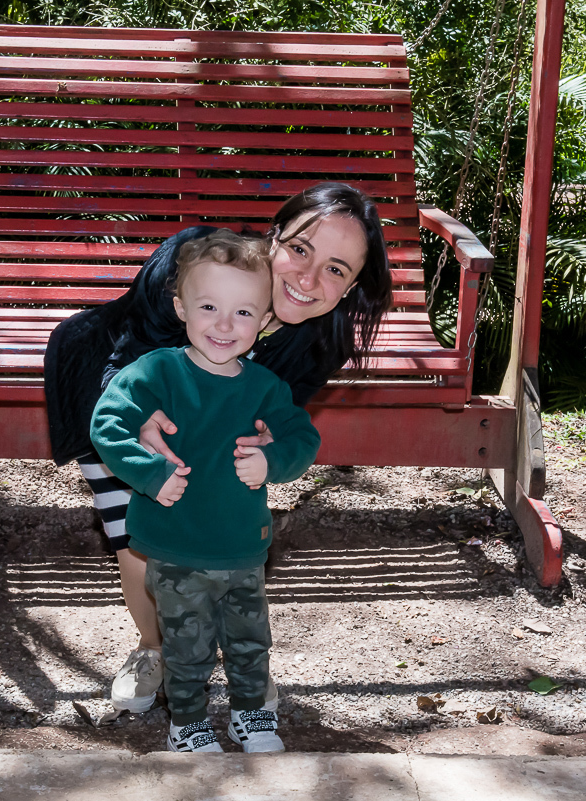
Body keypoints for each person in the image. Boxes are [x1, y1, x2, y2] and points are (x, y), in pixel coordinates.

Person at [44, 182, 393, 713]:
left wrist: (267, 442)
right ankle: (155, 648)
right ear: (274, 239)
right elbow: (129, 360)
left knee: (227, 525)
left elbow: (273, 411)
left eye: (336, 269)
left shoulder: (323, 338)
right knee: (141, 524)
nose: (308, 277)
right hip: (112, 383)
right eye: (300, 249)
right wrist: (142, 428)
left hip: (216, 414)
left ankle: (241, 660)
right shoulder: (196, 261)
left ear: (348, 288)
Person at [90, 230, 321, 752]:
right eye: (210, 306)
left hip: (243, 544)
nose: (223, 325)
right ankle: (187, 722)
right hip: (176, 544)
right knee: (187, 644)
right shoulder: (157, 373)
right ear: (181, 307)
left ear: (264, 321)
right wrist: (148, 473)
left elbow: (303, 437)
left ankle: (249, 714)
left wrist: (272, 461)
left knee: (249, 640)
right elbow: (108, 424)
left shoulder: (264, 387)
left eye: (243, 313)